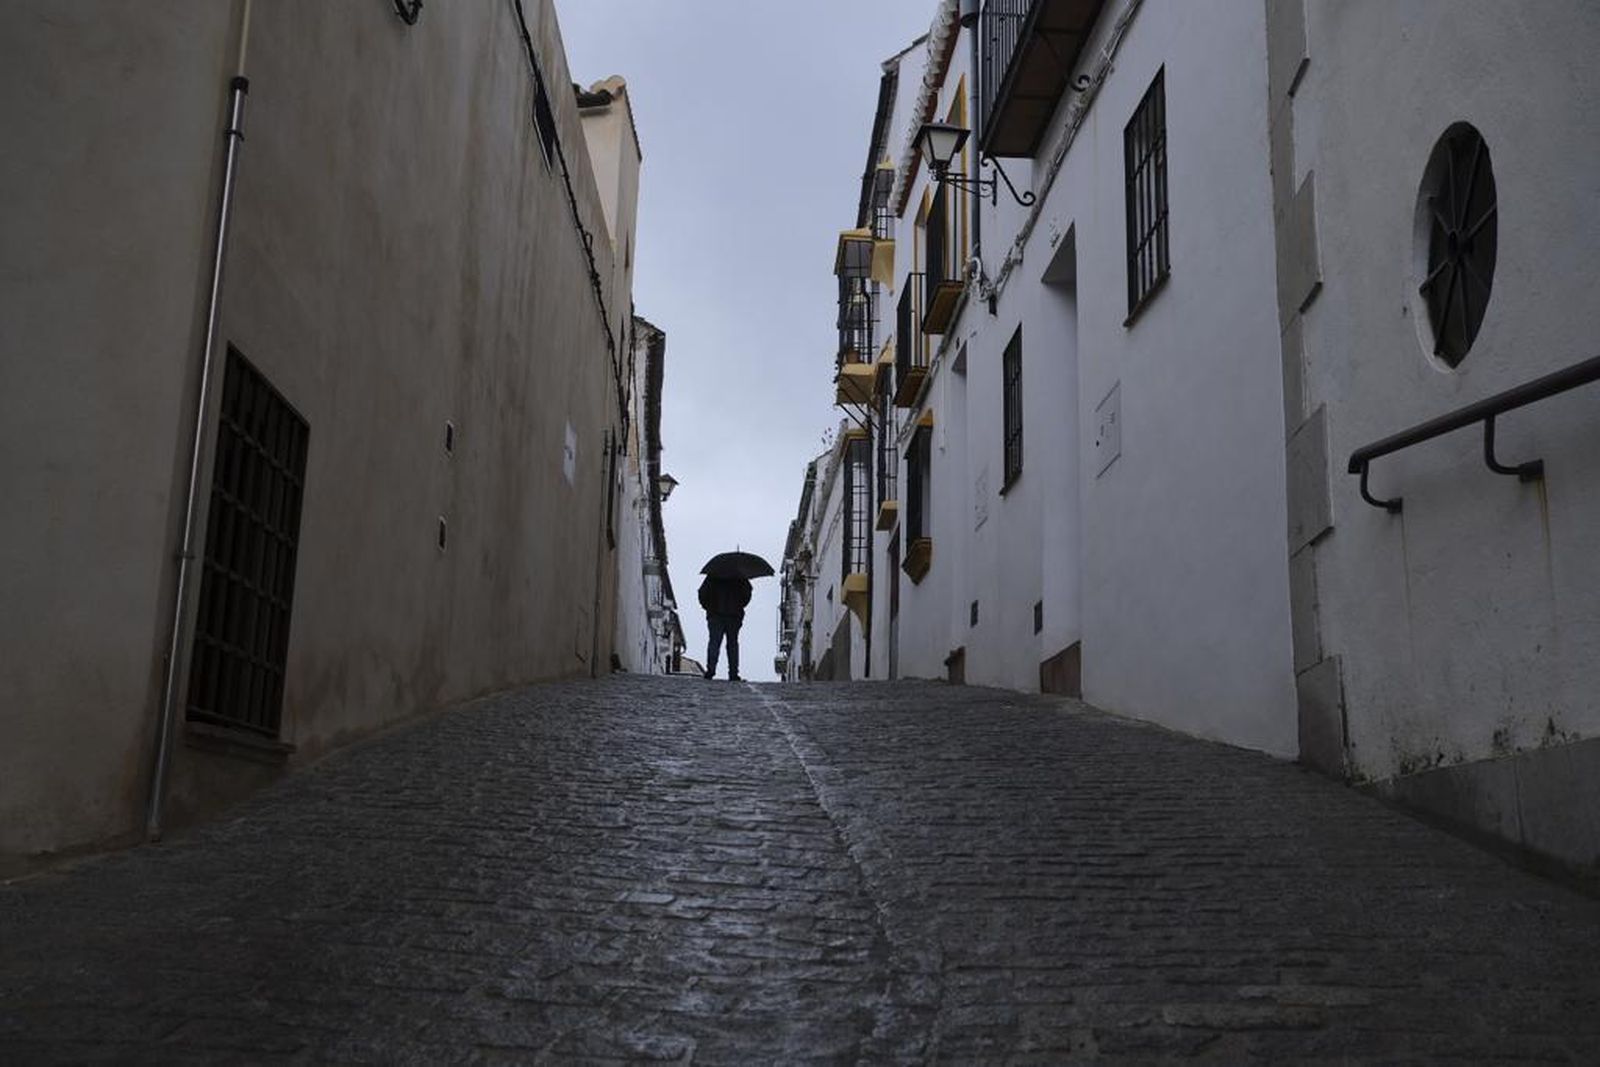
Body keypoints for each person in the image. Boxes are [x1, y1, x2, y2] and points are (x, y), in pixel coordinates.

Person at [698, 574, 752, 681]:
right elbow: (747, 594)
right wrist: (738, 605)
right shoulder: (740, 577)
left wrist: (708, 607)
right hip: (734, 615)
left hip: (715, 614)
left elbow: (702, 593)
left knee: (714, 642)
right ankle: (733, 673)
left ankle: (710, 671)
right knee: (732, 644)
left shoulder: (713, 576)